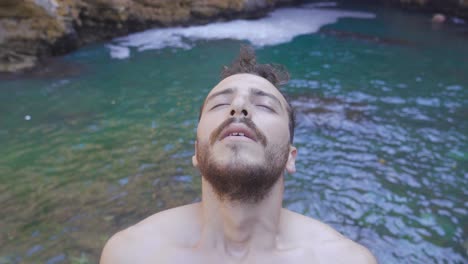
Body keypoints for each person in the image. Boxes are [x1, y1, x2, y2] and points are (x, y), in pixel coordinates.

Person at [100, 46, 377, 264]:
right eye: (220, 103)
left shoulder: (343, 260)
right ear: (196, 152)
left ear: (290, 157)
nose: (239, 107)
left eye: (266, 106)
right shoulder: (131, 255)